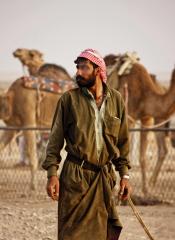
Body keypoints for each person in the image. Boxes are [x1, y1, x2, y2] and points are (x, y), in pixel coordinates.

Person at [42, 49, 131, 240]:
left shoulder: (116, 100)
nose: (78, 72)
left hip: (104, 178)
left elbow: (122, 143)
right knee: (71, 234)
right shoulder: (69, 100)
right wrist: (52, 174)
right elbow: (55, 141)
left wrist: (125, 175)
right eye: (78, 67)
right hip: (75, 177)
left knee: (102, 234)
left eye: (84, 67)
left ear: (98, 70)